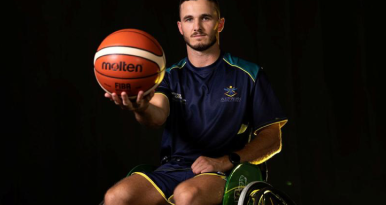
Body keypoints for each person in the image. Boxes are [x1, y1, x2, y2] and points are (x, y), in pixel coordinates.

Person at [103, 0, 287, 204]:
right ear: (180, 27)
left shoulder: (249, 75)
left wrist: (227, 161)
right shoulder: (169, 76)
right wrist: (142, 107)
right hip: (174, 168)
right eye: (189, 19)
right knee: (115, 197)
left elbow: (272, 139)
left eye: (205, 18)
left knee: (187, 195)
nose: (197, 27)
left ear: (220, 23)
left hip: (224, 170)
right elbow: (157, 115)